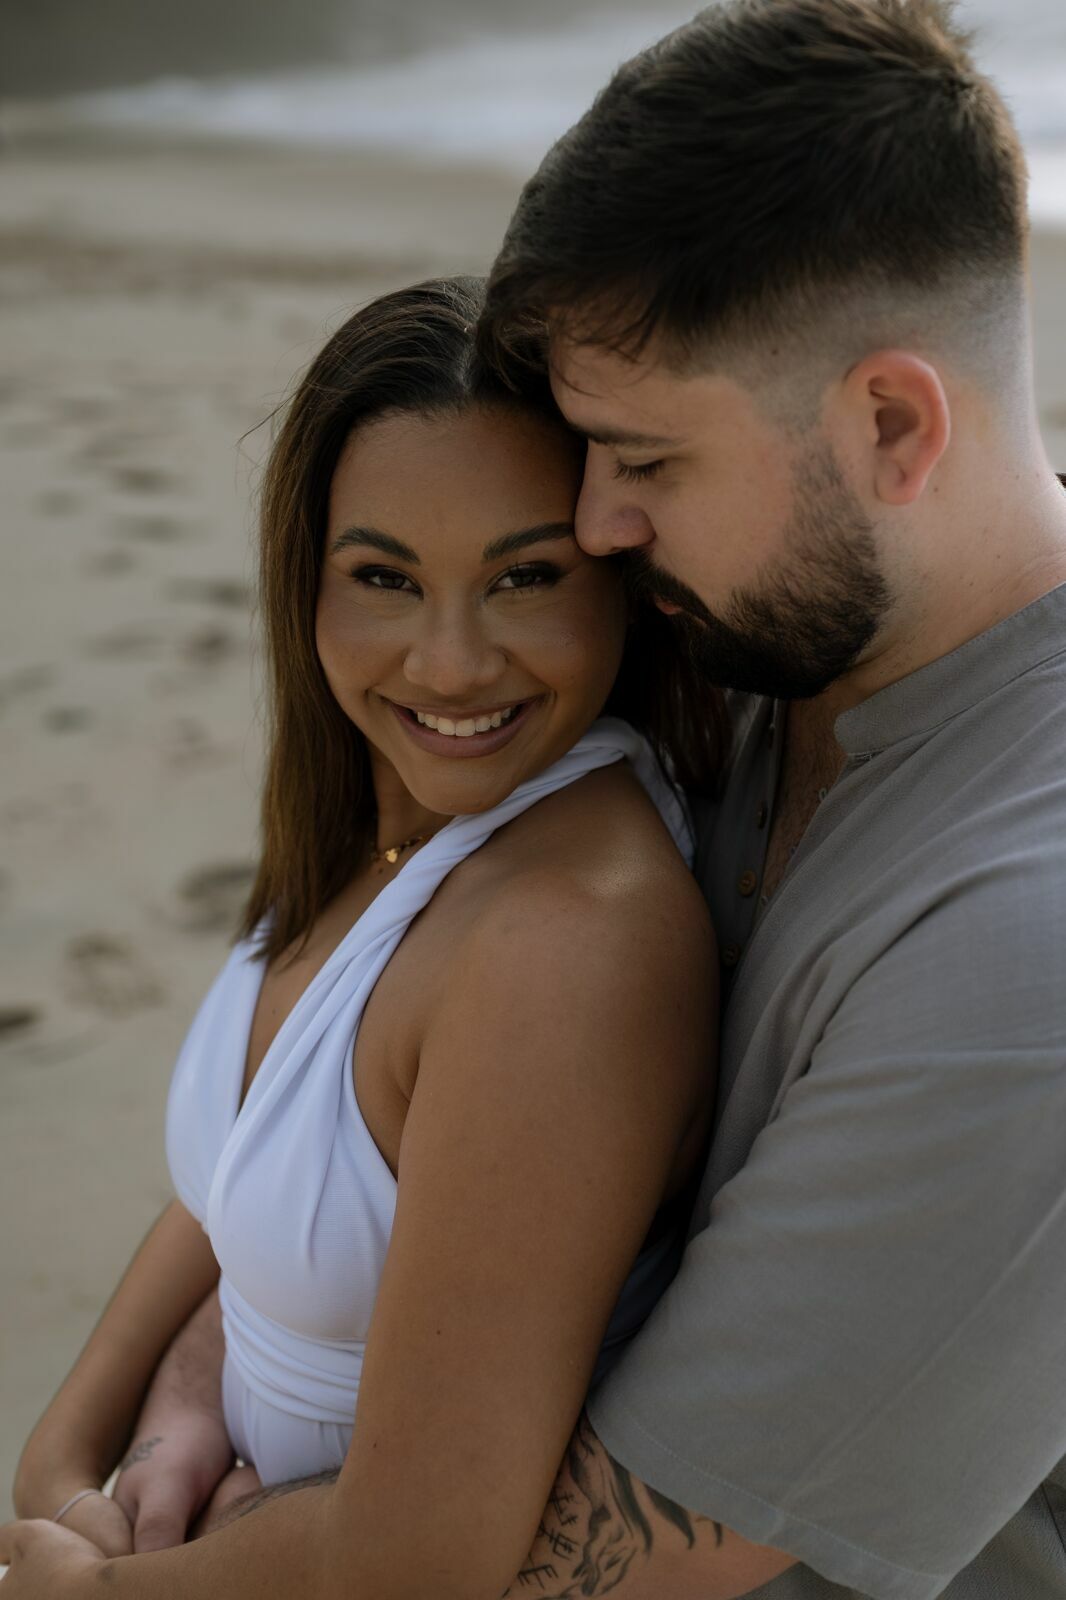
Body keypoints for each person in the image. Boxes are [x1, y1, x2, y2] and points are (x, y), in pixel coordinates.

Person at [5, 0, 1066, 1596]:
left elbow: (575, 1570)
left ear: (891, 426)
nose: (598, 527)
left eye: (644, 461)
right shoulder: (751, 649)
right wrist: (195, 1387)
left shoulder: (1020, 950)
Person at [3, 278, 723, 1597]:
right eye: (384, 578)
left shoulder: (565, 942)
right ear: (307, 587)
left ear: (620, 583)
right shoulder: (383, 822)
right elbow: (235, 1185)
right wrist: (82, 1462)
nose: (449, 666)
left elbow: (424, 1552)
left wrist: (93, 1586)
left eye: (525, 577)